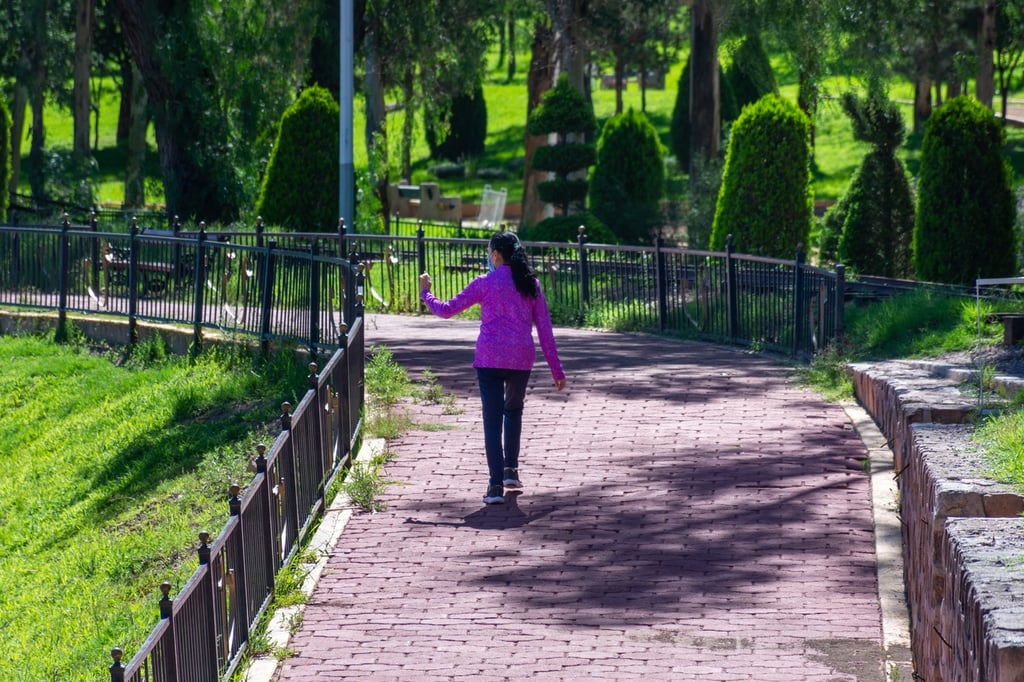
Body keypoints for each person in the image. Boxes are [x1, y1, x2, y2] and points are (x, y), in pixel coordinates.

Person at [419, 231, 567, 505]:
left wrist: (426, 293)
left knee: (492, 420)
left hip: (489, 358)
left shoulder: (485, 283)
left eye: (490, 253)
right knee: (514, 411)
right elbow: (545, 330)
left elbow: (447, 310)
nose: (489, 257)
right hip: (521, 358)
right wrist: (556, 370)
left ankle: (495, 485)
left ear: (496, 255)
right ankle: (511, 471)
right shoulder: (531, 285)